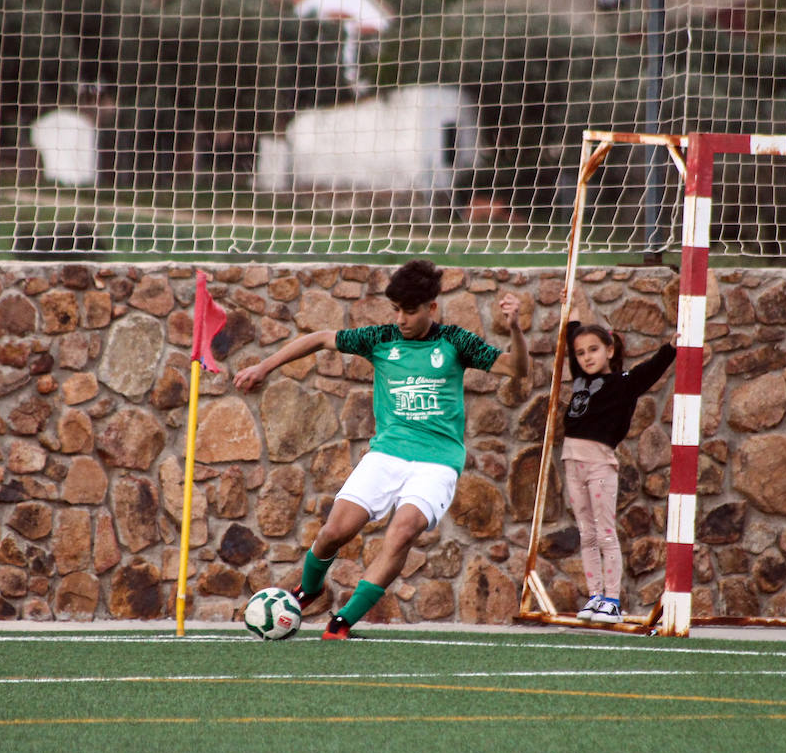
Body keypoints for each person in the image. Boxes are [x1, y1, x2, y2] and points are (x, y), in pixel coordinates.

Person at [233, 259, 529, 639]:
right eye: (396, 310)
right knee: (334, 532)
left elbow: (516, 368)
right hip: (387, 453)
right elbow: (321, 338)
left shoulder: (455, 342)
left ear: (431, 307)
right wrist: (264, 366)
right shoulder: (381, 339)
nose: (401, 319)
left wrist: (516, 328)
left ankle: (342, 622)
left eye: (410, 311)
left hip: (437, 462)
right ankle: (309, 589)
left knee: (402, 532)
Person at [561, 315, 675, 625]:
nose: (586, 357)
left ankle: (612, 600)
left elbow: (650, 370)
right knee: (586, 533)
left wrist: (671, 348)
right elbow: (571, 339)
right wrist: (571, 314)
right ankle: (594, 595)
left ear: (609, 350)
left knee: (604, 532)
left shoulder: (623, 383)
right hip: (572, 462)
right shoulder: (579, 377)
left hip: (600, 465)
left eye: (594, 350)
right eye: (581, 353)